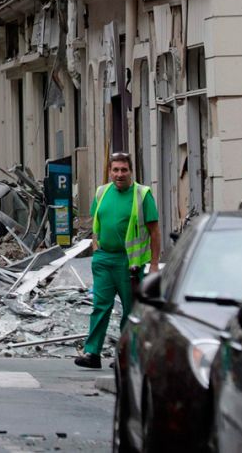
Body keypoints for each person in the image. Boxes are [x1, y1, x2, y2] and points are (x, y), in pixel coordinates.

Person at [75, 152, 161, 370]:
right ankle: (92, 353)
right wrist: (96, 249)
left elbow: (154, 231)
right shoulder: (102, 192)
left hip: (129, 263)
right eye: (116, 170)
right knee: (99, 307)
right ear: (110, 171)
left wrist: (153, 264)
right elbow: (97, 223)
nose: (119, 174)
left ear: (131, 171)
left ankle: (125, 355)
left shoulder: (142, 195)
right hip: (104, 259)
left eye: (124, 170)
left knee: (130, 310)